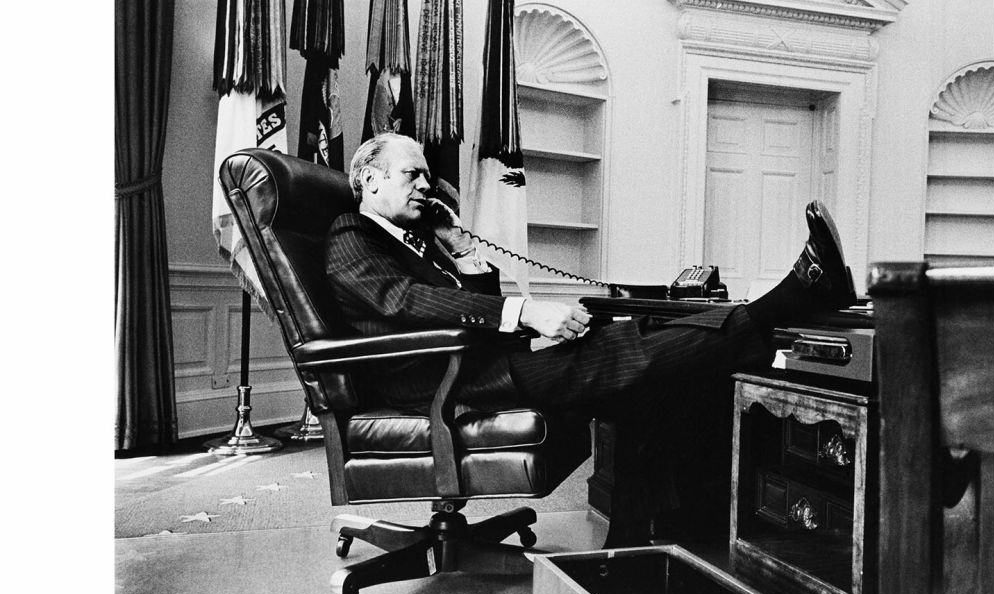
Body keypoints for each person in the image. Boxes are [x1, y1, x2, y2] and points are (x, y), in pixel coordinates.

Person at [325, 133, 856, 546]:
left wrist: (458, 246)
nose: (425, 185)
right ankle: (792, 299)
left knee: (636, 356)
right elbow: (404, 302)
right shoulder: (352, 233)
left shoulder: (415, 242)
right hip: (438, 387)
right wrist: (528, 311)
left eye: (426, 176)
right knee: (623, 356)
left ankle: (630, 532)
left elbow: (465, 299)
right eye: (411, 174)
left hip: (476, 368)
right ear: (370, 179)